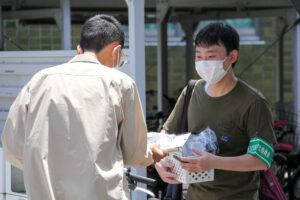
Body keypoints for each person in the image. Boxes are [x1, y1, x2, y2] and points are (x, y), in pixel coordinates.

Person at [1, 14, 165, 200]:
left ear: (80, 48)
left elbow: (12, 147)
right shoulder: (120, 83)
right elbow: (135, 154)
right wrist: (151, 153)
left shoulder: (40, 80)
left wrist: (44, 170)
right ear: (116, 50)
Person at [155, 22, 277, 200]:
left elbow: (261, 160)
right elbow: (166, 133)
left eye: (211, 56)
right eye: (199, 56)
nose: (204, 63)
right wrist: (159, 161)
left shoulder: (254, 103)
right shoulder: (191, 91)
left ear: (232, 56)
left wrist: (214, 162)